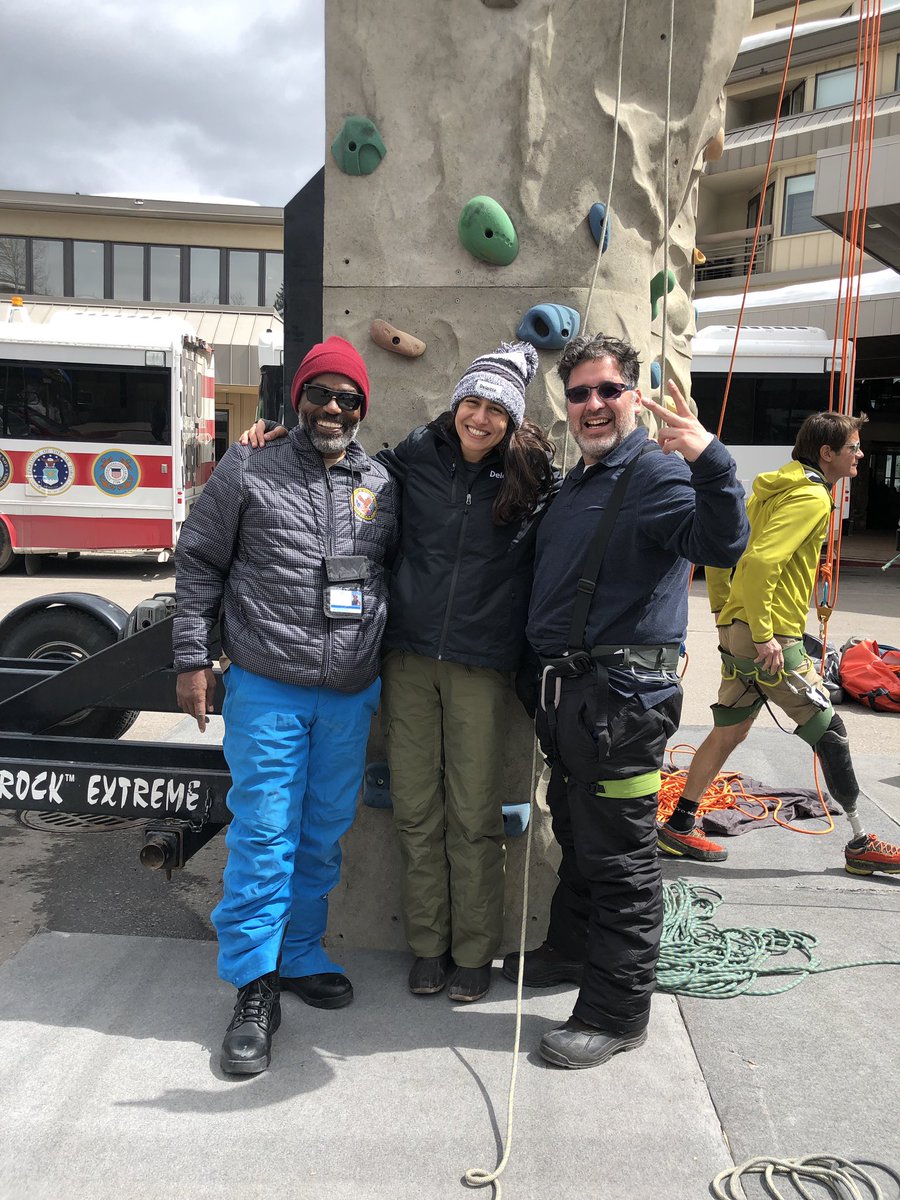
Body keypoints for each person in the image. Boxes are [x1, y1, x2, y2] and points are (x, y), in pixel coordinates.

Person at [245, 342, 558, 1003]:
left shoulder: (529, 476)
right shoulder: (413, 458)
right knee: (415, 811)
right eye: (471, 402)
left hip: (480, 665)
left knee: (473, 815)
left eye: (494, 409)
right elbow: (339, 466)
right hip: (407, 657)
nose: (479, 418)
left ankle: (475, 953)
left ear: (510, 419)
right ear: (456, 405)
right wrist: (277, 442)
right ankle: (429, 947)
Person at [502, 332, 748, 1071]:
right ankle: (574, 951)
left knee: (622, 861)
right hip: (574, 701)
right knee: (580, 832)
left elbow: (721, 540)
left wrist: (711, 459)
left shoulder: (657, 475)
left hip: (621, 707)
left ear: (634, 396)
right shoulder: (582, 480)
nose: (593, 405)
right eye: (579, 393)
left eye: (609, 390)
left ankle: (616, 1013)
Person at [174, 335, 399, 1076]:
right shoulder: (251, 465)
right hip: (268, 685)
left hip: (347, 693)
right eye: (319, 393)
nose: (332, 406)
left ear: (363, 406)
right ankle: (253, 986)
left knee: (322, 831)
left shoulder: (380, 482)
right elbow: (201, 562)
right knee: (266, 834)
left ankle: (299, 951)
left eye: (346, 396)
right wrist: (191, 658)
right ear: (295, 398)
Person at [657, 409, 900, 875]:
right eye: (853, 447)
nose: (860, 454)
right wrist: (765, 635)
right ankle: (860, 843)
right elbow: (763, 562)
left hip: (740, 629)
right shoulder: (810, 498)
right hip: (768, 638)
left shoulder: (772, 490)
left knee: (730, 730)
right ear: (828, 454)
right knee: (830, 731)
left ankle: (679, 825)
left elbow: (729, 553)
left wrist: (726, 613)